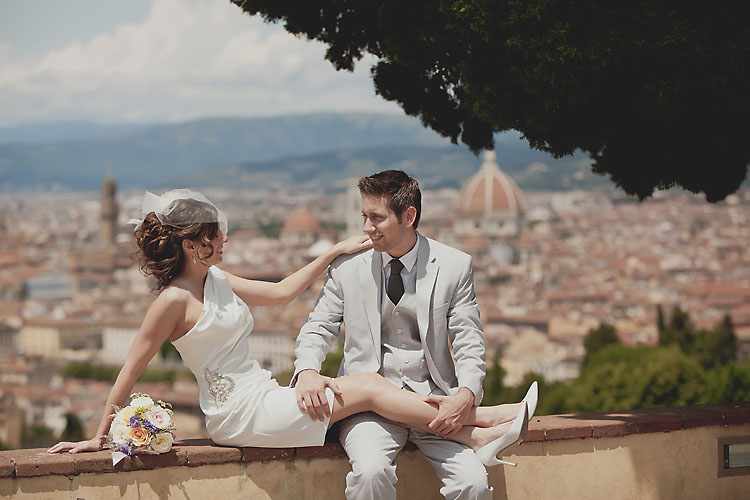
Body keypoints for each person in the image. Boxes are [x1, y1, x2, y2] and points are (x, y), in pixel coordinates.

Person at [47, 189, 533, 463]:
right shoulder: (172, 301)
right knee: (367, 384)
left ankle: (478, 432)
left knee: (368, 385)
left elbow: (281, 292)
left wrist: (334, 252)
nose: (226, 238)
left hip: (264, 395)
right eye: (218, 234)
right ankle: (483, 422)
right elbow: (129, 370)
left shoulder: (217, 279)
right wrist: (100, 434)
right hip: (236, 415)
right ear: (195, 244)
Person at [292, 170, 536, 500]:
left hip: (436, 399)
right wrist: (307, 369)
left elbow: (468, 339)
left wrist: (465, 395)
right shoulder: (346, 266)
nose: (366, 227)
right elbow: (319, 325)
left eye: (376, 218)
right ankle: (488, 422)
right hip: (369, 411)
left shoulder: (454, 265)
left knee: (474, 483)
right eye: (364, 216)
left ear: (409, 216)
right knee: (370, 473)